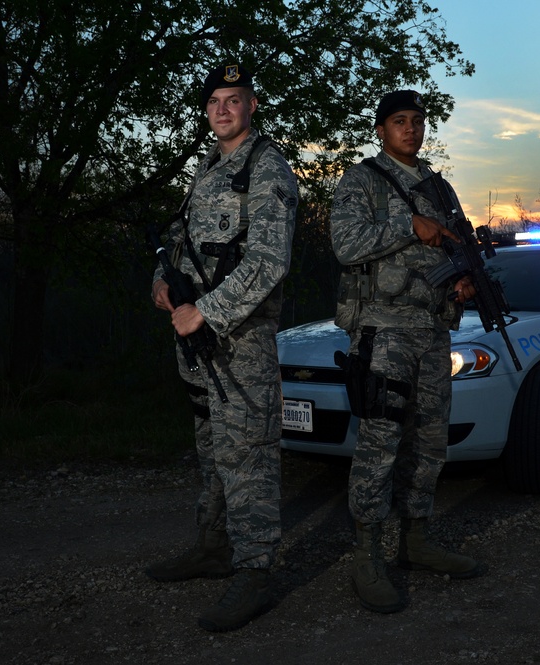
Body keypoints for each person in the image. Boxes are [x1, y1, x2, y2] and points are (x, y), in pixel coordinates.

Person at [145, 63, 298, 633]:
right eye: (214, 101)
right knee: (210, 446)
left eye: (233, 100)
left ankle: (255, 570)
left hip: (240, 343)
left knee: (248, 455)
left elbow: (268, 262)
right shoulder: (209, 168)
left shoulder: (267, 168)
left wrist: (203, 311)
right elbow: (181, 244)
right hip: (194, 341)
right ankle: (213, 547)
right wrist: (162, 286)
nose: (222, 109)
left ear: (252, 105)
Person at [330, 90, 485, 614]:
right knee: (380, 444)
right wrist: (406, 225)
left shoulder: (440, 188)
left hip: (434, 331)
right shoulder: (363, 181)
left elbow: (458, 243)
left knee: (428, 441)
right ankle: (368, 556)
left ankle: (416, 540)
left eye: (418, 122)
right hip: (383, 332)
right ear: (381, 129)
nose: (411, 130)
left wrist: (465, 278)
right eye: (400, 121)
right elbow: (345, 245)